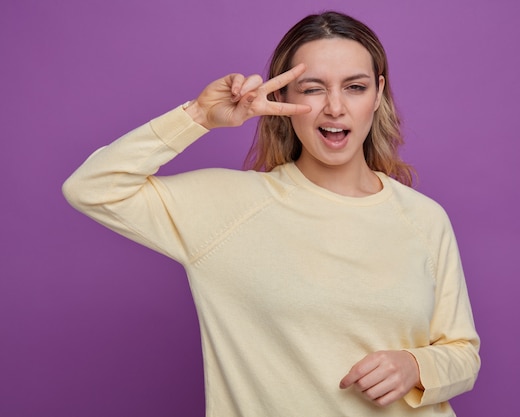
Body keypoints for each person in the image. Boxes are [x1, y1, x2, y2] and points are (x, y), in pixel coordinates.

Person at [63, 11, 480, 417]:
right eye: (313, 88)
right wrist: (198, 117)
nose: (335, 107)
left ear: (378, 94)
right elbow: (91, 187)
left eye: (354, 87)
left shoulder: (424, 218)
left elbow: (463, 353)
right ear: (281, 98)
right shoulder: (229, 207)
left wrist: (416, 367)